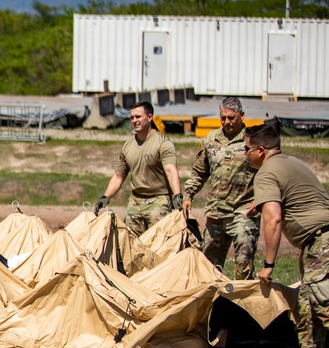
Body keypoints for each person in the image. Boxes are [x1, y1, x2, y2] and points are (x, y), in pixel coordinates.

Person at [247, 124, 329, 348]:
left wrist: (269, 264)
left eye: (246, 148)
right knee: (308, 303)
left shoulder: (266, 172)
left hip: (322, 242)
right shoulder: (294, 163)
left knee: (324, 305)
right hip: (317, 243)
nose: (244, 154)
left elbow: (273, 219)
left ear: (261, 151)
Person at [181, 97, 259, 279]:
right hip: (216, 213)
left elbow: (267, 173)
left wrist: (261, 198)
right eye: (223, 118)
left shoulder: (252, 140)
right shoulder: (211, 139)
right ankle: (213, 305)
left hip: (243, 212)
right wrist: (188, 195)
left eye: (231, 118)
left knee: (243, 265)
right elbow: (199, 172)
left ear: (242, 115)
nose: (227, 122)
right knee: (207, 267)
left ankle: (242, 304)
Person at [94, 101, 183, 237]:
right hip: (135, 203)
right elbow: (118, 176)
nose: (134, 121)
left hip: (159, 202)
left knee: (158, 245)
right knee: (130, 246)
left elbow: (171, 171)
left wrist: (177, 196)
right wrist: (105, 197)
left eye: (138, 117)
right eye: (132, 118)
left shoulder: (163, 143)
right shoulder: (128, 146)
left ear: (150, 117)